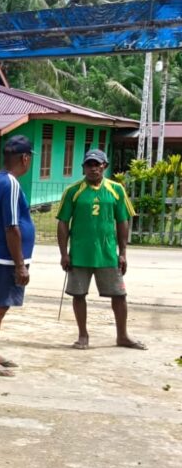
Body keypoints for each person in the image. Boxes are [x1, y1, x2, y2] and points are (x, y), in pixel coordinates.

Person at [56, 149, 146, 351]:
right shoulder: (72, 191)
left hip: (107, 254)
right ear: (83, 168)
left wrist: (123, 253)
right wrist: (64, 253)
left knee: (119, 295)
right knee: (78, 294)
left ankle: (122, 335)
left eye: (97, 164)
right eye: (89, 165)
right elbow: (62, 222)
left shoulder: (116, 189)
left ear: (104, 166)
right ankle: (83, 335)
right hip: (80, 253)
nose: (93, 169)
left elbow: (122, 221)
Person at [0, 135, 36, 377]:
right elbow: (12, 226)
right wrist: (20, 265)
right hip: (5, 259)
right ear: (25, 158)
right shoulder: (10, 183)